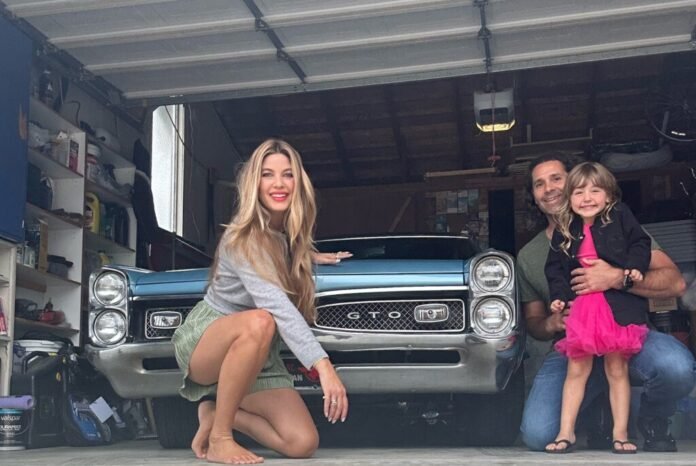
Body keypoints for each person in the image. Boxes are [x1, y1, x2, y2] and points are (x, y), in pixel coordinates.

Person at [172, 138, 350, 464]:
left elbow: (278, 252)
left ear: (298, 182)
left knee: (302, 443)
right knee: (262, 319)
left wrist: (309, 255)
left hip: (259, 352)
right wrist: (323, 366)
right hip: (210, 338)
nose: (278, 184)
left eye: (287, 174)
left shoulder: (285, 238)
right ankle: (221, 438)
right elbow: (276, 305)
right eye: (268, 175)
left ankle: (214, 412)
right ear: (255, 183)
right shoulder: (242, 239)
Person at [518, 152, 695, 453]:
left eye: (556, 178)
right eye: (539, 184)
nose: (548, 188)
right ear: (533, 196)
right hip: (575, 342)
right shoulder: (529, 254)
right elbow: (534, 323)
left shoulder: (618, 224)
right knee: (537, 434)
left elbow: (675, 283)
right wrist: (552, 322)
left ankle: (652, 418)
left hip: (625, 329)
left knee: (675, 367)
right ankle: (590, 415)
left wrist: (616, 278)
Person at [543, 162, 651, 454]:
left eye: (595, 191)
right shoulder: (565, 227)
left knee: (617, 368)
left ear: (609, 195)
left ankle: (620, 434)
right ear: (569, 198)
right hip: (583, 308)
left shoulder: (620, 215)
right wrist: (558, 296)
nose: (587, 198)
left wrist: (634, 268)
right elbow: (555, 269)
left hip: (616, 307)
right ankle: (566, 433)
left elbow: (640, 243)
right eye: (578, 192)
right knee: (577, 368)